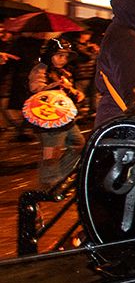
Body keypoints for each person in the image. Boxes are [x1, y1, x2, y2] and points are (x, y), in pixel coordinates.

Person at [27, 38, 85, 188]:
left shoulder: (64, 72)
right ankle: (49, 186)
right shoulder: (40, 69)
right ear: (50, 54)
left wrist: (76, 93)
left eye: (65, 56)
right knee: (51, 153)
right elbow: (36, 89)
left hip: (64, 117)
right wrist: (56, 84)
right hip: (48, 117)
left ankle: (60, 177)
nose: (63, 59)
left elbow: (67, 92)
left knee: (78, 144)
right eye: (59, 55)